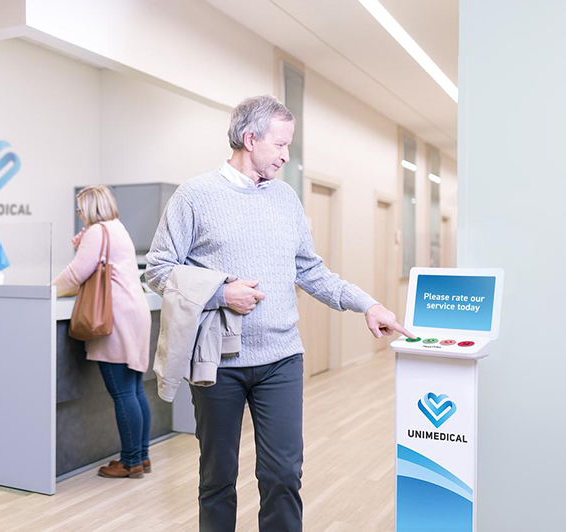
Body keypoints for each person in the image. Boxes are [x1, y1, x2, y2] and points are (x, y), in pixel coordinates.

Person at [145, 95, 414, 531]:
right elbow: (157, 270)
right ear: (250, 139)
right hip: (220, 363)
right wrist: (221, 292)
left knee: (283, 475)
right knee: (217, 478)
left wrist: (367, 303)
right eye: (281, 145)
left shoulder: (286, 198)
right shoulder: (195, 195)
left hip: (282, 359)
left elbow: (310, 270)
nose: (288, 156)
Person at [53, 185, 153, 479]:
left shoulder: (97, 233)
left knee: (122, 392)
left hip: (116, 318)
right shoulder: (116, 228)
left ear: (91, 208)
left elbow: (75, 274)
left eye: (81, 207)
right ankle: (142, 456)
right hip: (134, 314)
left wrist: (47, 291)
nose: (79, 213)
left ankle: (130, 461)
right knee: (135, 389)